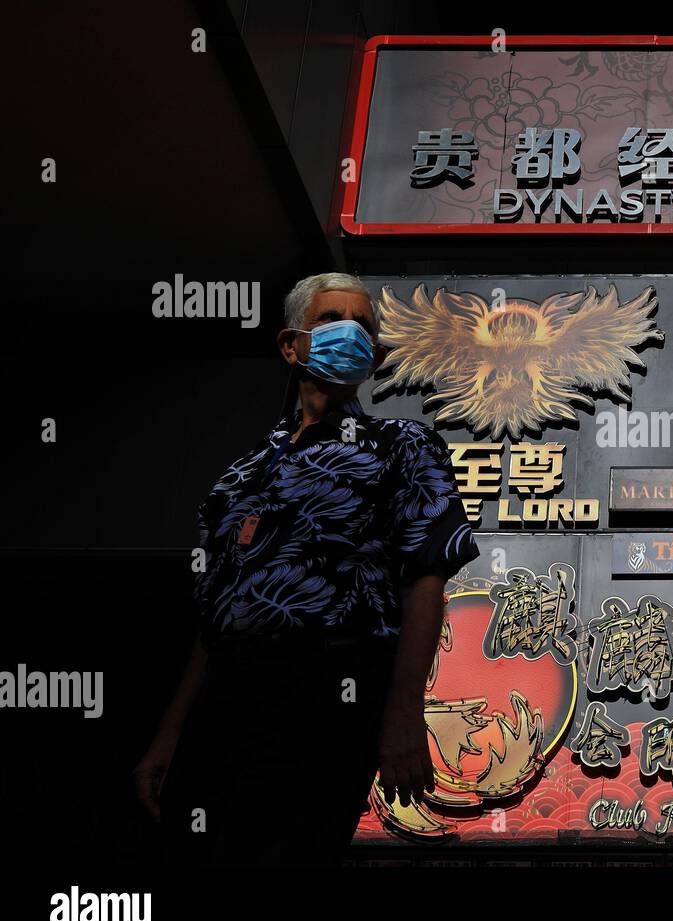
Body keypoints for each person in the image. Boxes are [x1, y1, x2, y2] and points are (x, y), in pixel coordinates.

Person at [132, 272, 478, 865]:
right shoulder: (235, 480)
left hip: (330, 693)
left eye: (364, 326)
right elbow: (212, 621)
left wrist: (400, 716)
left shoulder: (402, 446)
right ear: (290, 345)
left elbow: (426, 579)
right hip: (226, 695)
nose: (351, 333)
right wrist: (170, 734)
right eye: (329, 320)